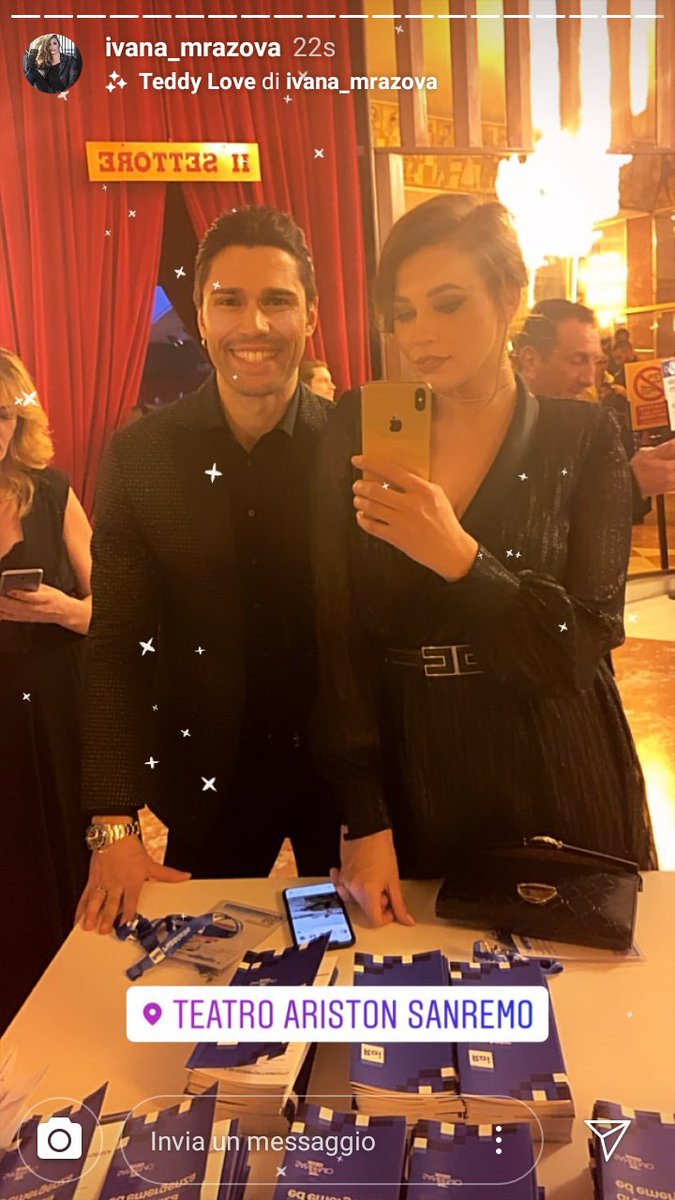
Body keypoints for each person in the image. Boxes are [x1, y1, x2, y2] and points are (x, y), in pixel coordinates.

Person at [313, 195, 656, 929]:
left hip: (553, 754)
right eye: (404, 313)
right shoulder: (361, 424)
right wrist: (364, 816)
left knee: (576, 977)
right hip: (416, 759)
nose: (420, 334)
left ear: (510, 296)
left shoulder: (581, 436)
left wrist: (464, 561)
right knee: (420, 982)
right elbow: (335, 634)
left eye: (447, 304)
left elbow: (582, 644)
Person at [78, 206, 340, 936]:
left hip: (348, 782)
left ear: (310, 315)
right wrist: (112, 820)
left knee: (356, 972)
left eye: (277, 300)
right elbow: (117, 642)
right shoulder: (142, 455)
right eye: (229, 300)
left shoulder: (354, 446)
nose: (253, 323)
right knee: (213, 974)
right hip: (208, 780)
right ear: (200, 315)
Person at [0, 349, 92, 1029]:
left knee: (60, 852)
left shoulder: (53, 490)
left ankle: (69, 1008)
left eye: (4, 415)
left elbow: (113, 610)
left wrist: (62, 608)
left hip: (55, 710)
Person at [519, 301, 674, 502]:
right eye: (577, 360)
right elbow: (535, 508)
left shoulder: (580, 425)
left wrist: (629, 480)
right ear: (531, 361)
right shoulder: (502, 427)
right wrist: (629, 485)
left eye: (597, 362)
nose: (589, 379)